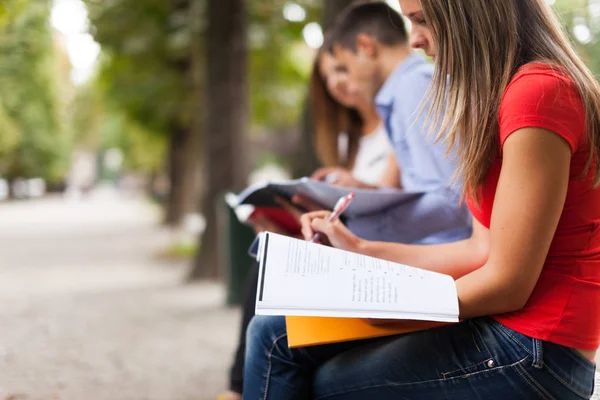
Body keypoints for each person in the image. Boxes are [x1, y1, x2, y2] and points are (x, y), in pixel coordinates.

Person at [243, 0, 600, 398]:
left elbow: (509, 282)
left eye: (422, 21)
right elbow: (480, 249)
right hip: (510, 326)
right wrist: (359, 249)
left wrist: (393, 308)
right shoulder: (501, 94)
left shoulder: (538, 92)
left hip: (537, 349)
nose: (413, 40)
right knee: (275, 330)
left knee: (322, 377)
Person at [219, 45, 398, 400]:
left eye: (342, 70)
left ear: (368, 56)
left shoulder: (396, 128)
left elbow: (395, 200)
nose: (336, 84)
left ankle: (238, 387)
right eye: (328, 76)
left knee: (271, 284)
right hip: (342, 239)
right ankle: (237, 386)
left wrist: (358, 189)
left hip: (371, 250)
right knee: (268, 255)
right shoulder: (348, 137)